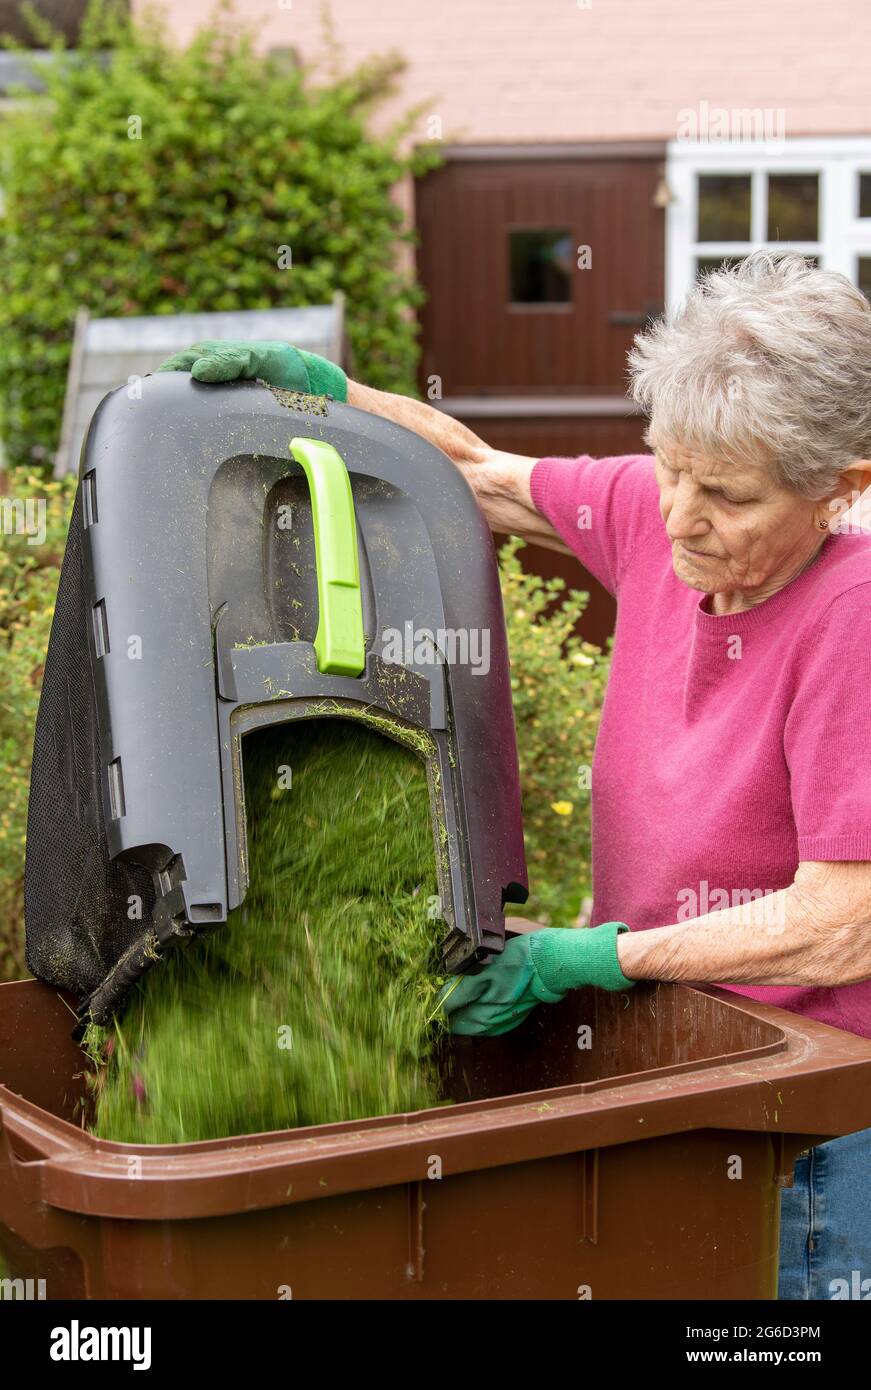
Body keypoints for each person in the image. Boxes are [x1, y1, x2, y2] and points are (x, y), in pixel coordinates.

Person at [159, 251, 871, 1298]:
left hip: (806, 1116)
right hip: (664, 1054)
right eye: (668, 464)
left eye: (725, 494)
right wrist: (336, 399)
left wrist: (588, 959)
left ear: (840, 488)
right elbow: (476, 477)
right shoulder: (658, 514)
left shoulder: (850, 619)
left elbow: (843, 918)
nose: (676, 514)